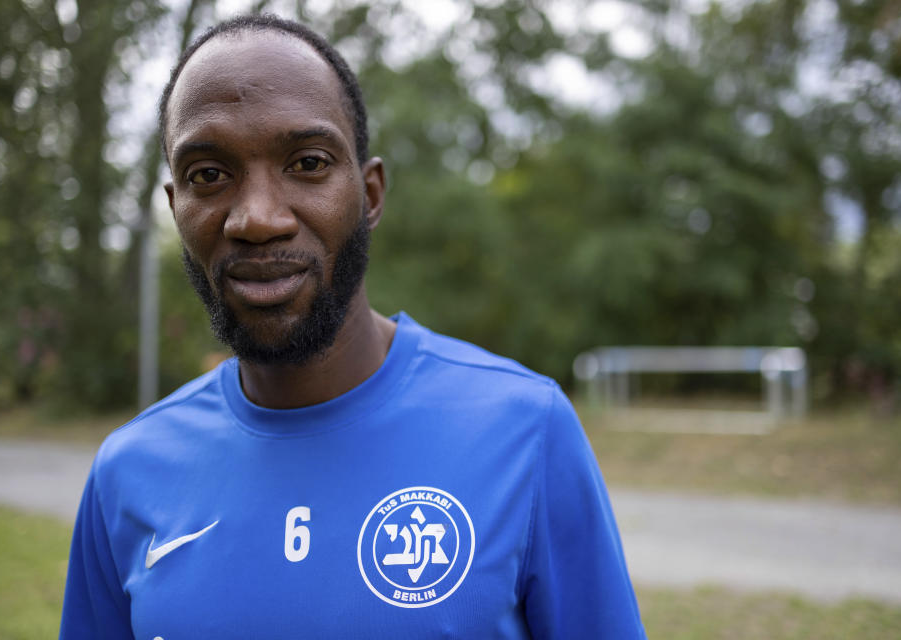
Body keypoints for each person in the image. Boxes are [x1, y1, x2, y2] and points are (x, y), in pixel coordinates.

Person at [60, 14, 647, 639]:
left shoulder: (526, 429)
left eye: (307, 163)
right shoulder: (126, 471)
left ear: (369, 196)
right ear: (178, 208)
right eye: (210, 174)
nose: (257, 218)